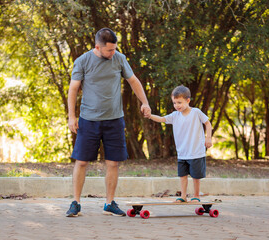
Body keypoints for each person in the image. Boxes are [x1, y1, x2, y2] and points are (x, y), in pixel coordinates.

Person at [66, 28, 151, 217]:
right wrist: (72, 117)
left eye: (114, 49)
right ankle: (76, 203)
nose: (113, 54)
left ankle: (109, 203)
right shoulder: (83, 61)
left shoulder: (119, 58)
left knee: (113, 164)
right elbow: (73, 89)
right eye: (109, 51)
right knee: (81, 162)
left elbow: (133, 81)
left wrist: (145, 102)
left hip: (114, 120)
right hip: (89, 120)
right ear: (98, 47)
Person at [148, 85, 212, 202]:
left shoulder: (196, 112)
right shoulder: (175, 115)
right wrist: (150, 116)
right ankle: (183, 196)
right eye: (174, 103)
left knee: (195, 176)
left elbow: (207, 123)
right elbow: (162, 119)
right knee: (182, 175)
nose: (177, 105)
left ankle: (196, 196)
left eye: (179, 102)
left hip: (196, 151)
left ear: (188, 100)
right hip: (182, 152)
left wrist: (208, 138)